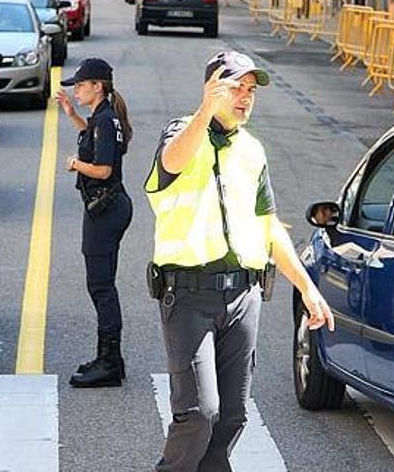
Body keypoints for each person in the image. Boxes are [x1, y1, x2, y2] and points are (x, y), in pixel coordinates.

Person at [144, 51, 335, 471]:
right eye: (235, 87)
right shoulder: (182, 133)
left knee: (232, 417)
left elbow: (269, 227)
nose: (245, 97)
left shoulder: (251, 150)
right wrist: (205, 110)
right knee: (199, 415)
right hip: (190, 296)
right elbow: (171, 163)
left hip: (244, 296)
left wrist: (308, 289)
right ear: (212, 87)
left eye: (250, 90)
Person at [56, 58, 134, 388]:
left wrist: (75, 164)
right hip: (109, 207)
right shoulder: (104, 119)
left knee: (101, 287)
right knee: (102, 284)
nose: (76, 90)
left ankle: (109, 362)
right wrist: (73, 116)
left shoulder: (105, 120)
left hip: (105, 209)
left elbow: (102, 169)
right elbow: (94, 139)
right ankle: (110, 359)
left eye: (80, 85)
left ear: (97, 86)